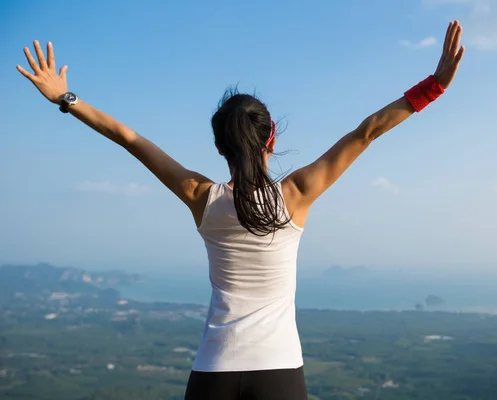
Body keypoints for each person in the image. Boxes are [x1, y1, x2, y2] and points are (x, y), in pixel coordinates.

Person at [17, 20, 465, 400]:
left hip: (215, 372)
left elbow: (130, 139)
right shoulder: (297, 195)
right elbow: (367, 132)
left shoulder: (200, 195)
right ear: (271, 139)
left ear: (218, 147)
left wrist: (65, 98)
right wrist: (437, 86)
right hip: (281, 372)